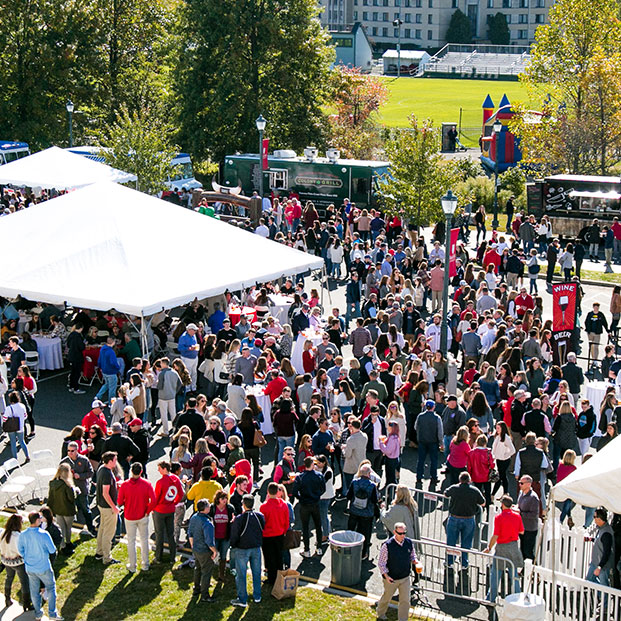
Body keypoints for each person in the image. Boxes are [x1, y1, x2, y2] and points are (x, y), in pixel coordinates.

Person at [18, 511, 63, 620]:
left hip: (30, 568)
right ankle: (52, 613)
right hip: (44, 567)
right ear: (37, 520)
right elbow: (52, 549)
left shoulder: (23, 534)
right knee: (51, 588)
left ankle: (38, 613)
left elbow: (20, 551)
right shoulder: (44, 534)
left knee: (34, 591)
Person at [117, 462, 156, 573]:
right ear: (141, 471)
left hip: (129, 516)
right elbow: (153, 500)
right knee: (144, 539)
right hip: (143, 515)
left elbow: (119, 501)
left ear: (131, 471)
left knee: (131, 541)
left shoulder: (124, 485)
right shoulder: (147, 484)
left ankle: (133, 565)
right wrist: (147, 511)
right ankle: (145, 564)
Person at [444, 472, 485, 575]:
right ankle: (464, 563)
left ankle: (449, 562)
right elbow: (483, 502)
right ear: (469, 480)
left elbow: (445, 493)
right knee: (466, 543)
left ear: (460, 480)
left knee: (451, 541)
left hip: (454, 518)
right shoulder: (474, 490)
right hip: (469, 519)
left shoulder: (454, 488)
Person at [485, 495, 524, 602]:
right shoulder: (517, 516)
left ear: (502, 504)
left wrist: (489, 547)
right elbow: (521, 531)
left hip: (502, 547)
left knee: (496, 575)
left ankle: (491, 598)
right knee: (514, 574)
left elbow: (495, 535)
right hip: (513, 546)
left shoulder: (499, 518)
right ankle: (518, 598)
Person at [376, 522, 418, 621]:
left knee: (405, 601)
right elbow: (381, 563)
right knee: (387, 597)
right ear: (394, 532)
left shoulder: (408, 542)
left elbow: (412, 555)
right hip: (391, 579)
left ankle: (403, 619)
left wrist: (416, 561)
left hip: (405, 578)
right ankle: (381, 614)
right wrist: (386, 576)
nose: (402, 536)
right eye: (400, 533)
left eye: (404, 533)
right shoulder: (387, 545)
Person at [230, 494, 265, 608]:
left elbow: (234, 534)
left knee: (241, 575)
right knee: (256, 573)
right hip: (256, 548)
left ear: (243, 505)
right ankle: (257, 596)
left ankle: (242, 599)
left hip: (242, 549)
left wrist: (233, 545)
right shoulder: (259, 516)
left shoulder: (240, 518)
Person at [293, 456, 326, 558]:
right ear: (312, 465)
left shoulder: (300, 477)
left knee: (305, 527)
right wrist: (317, 496)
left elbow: (294, 492)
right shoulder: (319, 475)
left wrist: (301, 498)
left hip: (304, 505)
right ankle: (319, 548)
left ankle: (307, 550)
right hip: (315, 504)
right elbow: (323, 489)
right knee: (318, 525)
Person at [60, 440, 95, 536]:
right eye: (68, 451)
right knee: (69, 508)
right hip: (69, 490)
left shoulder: (84, 460)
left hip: (82, 488)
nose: (70, 453)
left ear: (77, 450)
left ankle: (90, 528)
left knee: (85, 509)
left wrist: (80, 476)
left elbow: (90, 473)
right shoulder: (64, 462)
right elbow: (59, 475)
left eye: (72, 451)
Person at [152, 460, 185, 564]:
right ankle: (172, 557)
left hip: (160, 510)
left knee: (159, 534)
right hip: (170, 509)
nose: (158, 470)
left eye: (160, 468)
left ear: (164, 469)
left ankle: (158, 557)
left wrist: (152, 508)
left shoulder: (160, 482)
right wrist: (174, 502)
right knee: (171, 534)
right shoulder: (175, 479)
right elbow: (181, 493)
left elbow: (156, 498)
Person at [346, 463, 380, 560]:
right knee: (365, 533)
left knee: (351, 530)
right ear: (369, 474)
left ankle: (349, 549)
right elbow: (375, 500)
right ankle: (363, 553)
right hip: (367, 513)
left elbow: (349, 496)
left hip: (354, 511)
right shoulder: (372, 485)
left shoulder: (354, 482)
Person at [259, 482, 290, 584]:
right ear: (277, 492)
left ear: (268, 492)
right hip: (280, 534)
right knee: (279, 556)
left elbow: (262, 523)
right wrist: (284, 531)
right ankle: (279, 577)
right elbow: (287, 521)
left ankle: (271, 578)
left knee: (269, 557)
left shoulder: (264, 507)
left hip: (267, 536)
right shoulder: (284, 504)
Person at [187, 498, 217, 603]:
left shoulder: (194, 517)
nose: (210, 506)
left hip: (196, 549)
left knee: (198, 568)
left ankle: (196, 589)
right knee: (206, 572)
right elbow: (209, 541)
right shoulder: (207, 523)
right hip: (204, 551)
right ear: (205, 509)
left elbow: (190, 532)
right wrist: (214, 551)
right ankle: (205, 595)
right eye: (208, 505)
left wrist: (193, 546)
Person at [1, 513, 32, 611]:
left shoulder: (3, 533)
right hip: (18, 563)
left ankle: (7, 598)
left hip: (6, 561)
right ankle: (26, 603)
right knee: (24, 582)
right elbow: (21, 551)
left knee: (9, 578)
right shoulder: (18, 536)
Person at [95, 451, 120, 565]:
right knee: (108, 533)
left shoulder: (102, 468)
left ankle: (99, 553)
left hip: (101, 505)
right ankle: (107, 558)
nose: (116, 462)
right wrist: (114, 507)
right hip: (107, 507)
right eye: (115, 460)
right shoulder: (107, 473)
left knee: (102, 529)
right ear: (109, 461)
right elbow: (106, 493)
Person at [47, 463, 77, 554]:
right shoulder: (67, 486)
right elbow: (71, 498)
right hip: (67, 510)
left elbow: (50, 497)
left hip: (57, 510)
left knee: (61, 528)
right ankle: (67, 544)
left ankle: (63, 545)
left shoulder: (52, 483)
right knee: (68, 528)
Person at [414, 399, 443, 491]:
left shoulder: (420, 416)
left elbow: (415, 427)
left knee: (421, 460)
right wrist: (441, 442)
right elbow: (440, 432)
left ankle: (419, 477)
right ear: (434, 407)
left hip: (422, 441)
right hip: (433, 442)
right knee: (433, 460)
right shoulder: (437, 418)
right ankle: (433, 477)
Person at [586, 508, 615, 588]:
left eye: (594, 517)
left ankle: (605, 600)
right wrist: (591, 539)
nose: (593, 518)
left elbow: (607, 552)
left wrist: (600, 567)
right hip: (595, 563)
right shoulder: (601, 529)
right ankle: (601, 596)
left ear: (599, 518)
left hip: (602, 566)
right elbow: (600, 541)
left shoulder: (606, 533)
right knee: (589, 580)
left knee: (604, 587)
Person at [2, 390, 30, 462]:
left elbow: (4, 419)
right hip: (20, 427)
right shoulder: (22, 406)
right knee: (22, 442)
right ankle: (27, 456)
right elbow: (25, 416)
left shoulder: (9, 408)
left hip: (11, 427)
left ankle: (15, 459)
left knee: (13, 442)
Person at [517, 475, 540, 561]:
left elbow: (534, 514)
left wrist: (521, 513)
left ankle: (532, 571)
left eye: (522, 483)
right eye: (519, 482)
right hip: (522, 527)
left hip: (530, 529)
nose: (520, 484)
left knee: (528, 551)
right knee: (523, 549)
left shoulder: (533, 498)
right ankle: (525, 570)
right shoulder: (521, 493)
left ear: (528, 484)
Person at [342, 418, 367, 495]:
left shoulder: (351, 439)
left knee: (351, 489)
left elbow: (347, 455)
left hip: (351, 468)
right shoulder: (364, 436)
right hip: (361, 465)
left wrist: (343, 449)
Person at [178, 323, 200, 391]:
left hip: (194, 357)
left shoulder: (193, 335)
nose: (195, 332)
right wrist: (189, 348)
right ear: (189, 330)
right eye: (194, 330)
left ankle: (193, 388)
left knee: (194, 373)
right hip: (187, 358)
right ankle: (187, 389)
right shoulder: (183, 337)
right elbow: (180, 348)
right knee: (188, 373)